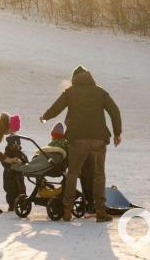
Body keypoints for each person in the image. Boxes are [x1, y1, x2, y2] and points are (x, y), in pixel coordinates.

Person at [41, 65, 121, 223]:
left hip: (76, 139)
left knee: (72, 173)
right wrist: (117, 133)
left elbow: (57, 107)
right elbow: (115, 111)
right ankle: (100, 212)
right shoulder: (100, 92)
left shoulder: (70, 92)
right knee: (99, 175)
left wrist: (45, 116)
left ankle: (67, 212)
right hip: (98, 138)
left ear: (74, 78)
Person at [2, 134, 29, 211]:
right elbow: (3, 161)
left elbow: (26, 161)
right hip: (9, 175)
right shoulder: (7, 154)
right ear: (9, 145)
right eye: (14, 144)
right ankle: (11, 205)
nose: (16, 146)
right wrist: (10, 164)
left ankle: (23, 203)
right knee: (10, 190)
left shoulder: (21, 154)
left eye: (17, 144)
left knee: (21, 189)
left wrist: (23, 163)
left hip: (19, 175)